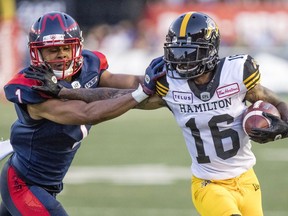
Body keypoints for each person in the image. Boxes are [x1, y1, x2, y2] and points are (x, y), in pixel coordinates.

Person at [28, 12, 288, 216]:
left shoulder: (238, 74)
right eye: (176, 52)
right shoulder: (171, 86)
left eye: (188, 53)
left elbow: (277, 102)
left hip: (248, 180)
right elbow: (112, 96)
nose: (181, 61)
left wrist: (282, 128)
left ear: (209, 51)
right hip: (210, 185)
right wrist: (65, 92)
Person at [0, 11, 164, 215]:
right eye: (52, 50)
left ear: (77, 47)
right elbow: (86, 112)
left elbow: (130, 85)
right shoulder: (32, 86)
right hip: (23, 184)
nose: (61, 55)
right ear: (37, 54)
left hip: (47, 184)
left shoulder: (89, 66)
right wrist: (141, 94)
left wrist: (169, 89)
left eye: (66, 48)